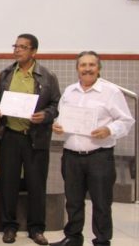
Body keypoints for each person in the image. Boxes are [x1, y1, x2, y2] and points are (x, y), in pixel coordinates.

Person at [50, 52, 134, 246]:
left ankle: (102, 240)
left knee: (101, 203)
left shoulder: (111, 92)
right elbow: (62, 118)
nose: (87, 69)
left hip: (99, 156)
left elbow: (126, 120)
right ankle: (73, 237)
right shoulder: (70, 91)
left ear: (99, 68)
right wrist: (57, 125)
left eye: (91, 65)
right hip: (71, 156)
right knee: (73, 201)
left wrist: (109, 129)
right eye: (83, 65)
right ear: (77, 68)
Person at [0, 33, 60, 245]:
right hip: (10, 135)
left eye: (23, 47)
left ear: (33, 51)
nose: (17, 50)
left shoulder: (47, 76)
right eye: (16, 46)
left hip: (35, 137)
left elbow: (55, 105)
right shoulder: (6, 74)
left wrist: (46, 116)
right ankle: (9, 226)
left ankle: (36, 228)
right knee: (8, 183)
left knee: (36, 184)